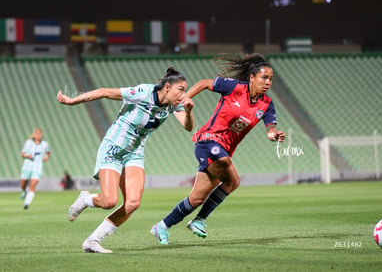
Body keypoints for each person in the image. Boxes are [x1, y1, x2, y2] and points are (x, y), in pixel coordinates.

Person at [151, 53, 285, 245]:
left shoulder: (267, 104)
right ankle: (200, 220)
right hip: (208, 141)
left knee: (197, 199)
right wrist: (185, 99)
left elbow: (270, 130)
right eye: (264, 77)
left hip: (223, 150)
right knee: (234, 178)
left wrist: (275, 135)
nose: (268, 82)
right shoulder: (235, 88)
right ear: (252, 77)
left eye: (271, 79)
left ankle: (163, 226)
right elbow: (206, 83)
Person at [56, 67, 194, 253]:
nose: (183, 94)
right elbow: (104, 92)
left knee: (132, 203)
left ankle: (92, 241)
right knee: (109, 201)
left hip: (135, 152)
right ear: (167, 87)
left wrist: (189, 112)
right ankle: (86, 199)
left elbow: (187, 127)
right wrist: (73, 101)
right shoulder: (143, 92)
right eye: (181, 89)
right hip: (113, 148)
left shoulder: (173, 105)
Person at [20, 128, 51, 210]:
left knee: (32, 186)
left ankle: (26, 203)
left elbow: (48, 152)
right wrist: (27, 155)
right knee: (23, 184)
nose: (38, 135)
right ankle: (24, 191)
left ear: (42, 134)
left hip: (38, 168)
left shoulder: (45, 144)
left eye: (39, 133)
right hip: (27, 167)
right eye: (36, 133)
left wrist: (46, 157)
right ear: (34, 134)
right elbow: (22, 154)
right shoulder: (28, 143)